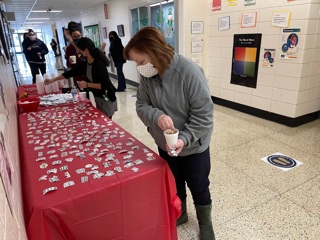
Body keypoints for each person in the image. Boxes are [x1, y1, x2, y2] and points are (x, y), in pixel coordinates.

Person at [123, 26, 215, 240]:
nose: (138, 67)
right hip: (165, 142)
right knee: (174, 181)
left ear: (154, 53)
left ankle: (205, 223)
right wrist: (157, 117)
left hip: (193, 144)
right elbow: (141, 104)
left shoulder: (188, 72)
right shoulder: (149, 74)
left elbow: (204, 116)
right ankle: (180, 212)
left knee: (199, 183)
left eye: (140, 61)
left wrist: (184, 138)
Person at [44, 37, 117, 119]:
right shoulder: (86, 63)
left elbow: (105, 85)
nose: (79, 54)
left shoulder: (98, 65)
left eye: (79, 51)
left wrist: (87, 84)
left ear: (86, 50)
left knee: (105, 120)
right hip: (97, 96)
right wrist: (53, 80)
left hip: (106, 97)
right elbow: (71, 73)